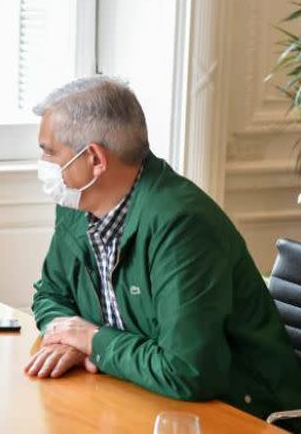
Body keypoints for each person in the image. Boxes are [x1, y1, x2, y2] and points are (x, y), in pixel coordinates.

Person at [25, 76, 301, 422]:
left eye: (49, 152)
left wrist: (93, 341)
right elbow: (49, 293)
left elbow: (187, 371)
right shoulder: (77, 204)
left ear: (94, 158)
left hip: (242, 414)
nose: (43, 163)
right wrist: (65, 336)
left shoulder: (182, 225)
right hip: (140, 396)